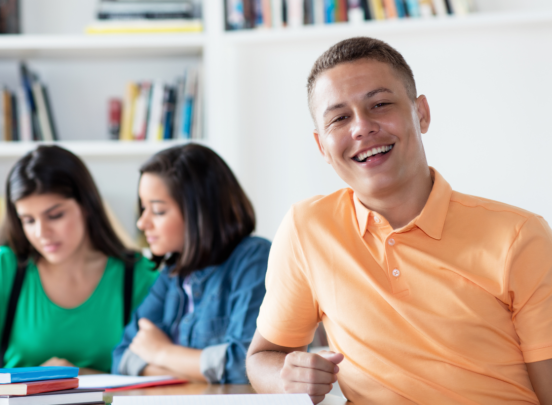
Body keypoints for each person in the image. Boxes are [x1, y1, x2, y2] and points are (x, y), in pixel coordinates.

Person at [246, 37, 552, 404]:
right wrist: (289, 378)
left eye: (379, 104)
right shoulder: (305, 228)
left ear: (420, 113)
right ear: (321, 146)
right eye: (340, 118)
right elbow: (263, 357)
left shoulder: (520, 235)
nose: (361, 127)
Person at [0, 145, 159, 374]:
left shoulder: (139, 275)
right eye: (28, 220)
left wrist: (75, 377)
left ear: (87, 205)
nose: (41, 233)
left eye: (55, 216)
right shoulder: (2, 269)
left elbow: (166, 373)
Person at [112, 143, 270, 384]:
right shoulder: (172, 274)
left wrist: (161, 352)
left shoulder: (254, 259)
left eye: (157, 211)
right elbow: (121, 358)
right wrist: (193, 369)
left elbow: (246, 366)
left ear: (200, 212)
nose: (142, 223)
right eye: (143, 209)